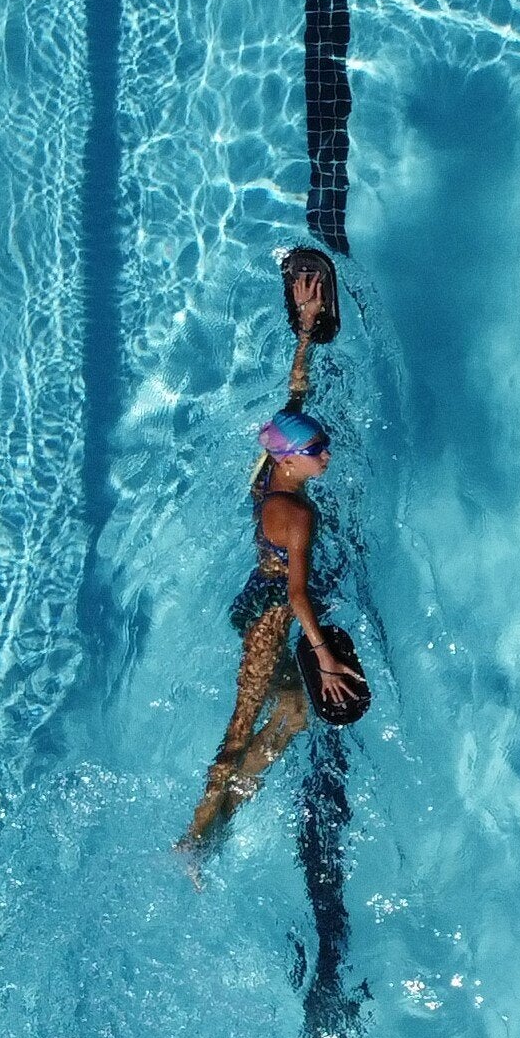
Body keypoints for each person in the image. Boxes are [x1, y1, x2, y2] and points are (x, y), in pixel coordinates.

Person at [177, 324, 360, 873]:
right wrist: (324, 658)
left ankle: (215, 823)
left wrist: (305, 338)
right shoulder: (299, 514)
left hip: (256, 605)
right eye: (315, 450)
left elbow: (292, 402)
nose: (325, 455)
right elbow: (299, 593)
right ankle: (193, 840)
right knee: (241, 729)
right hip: (272, 619)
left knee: (293, 712)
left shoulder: (269, 482)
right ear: (289, 459)